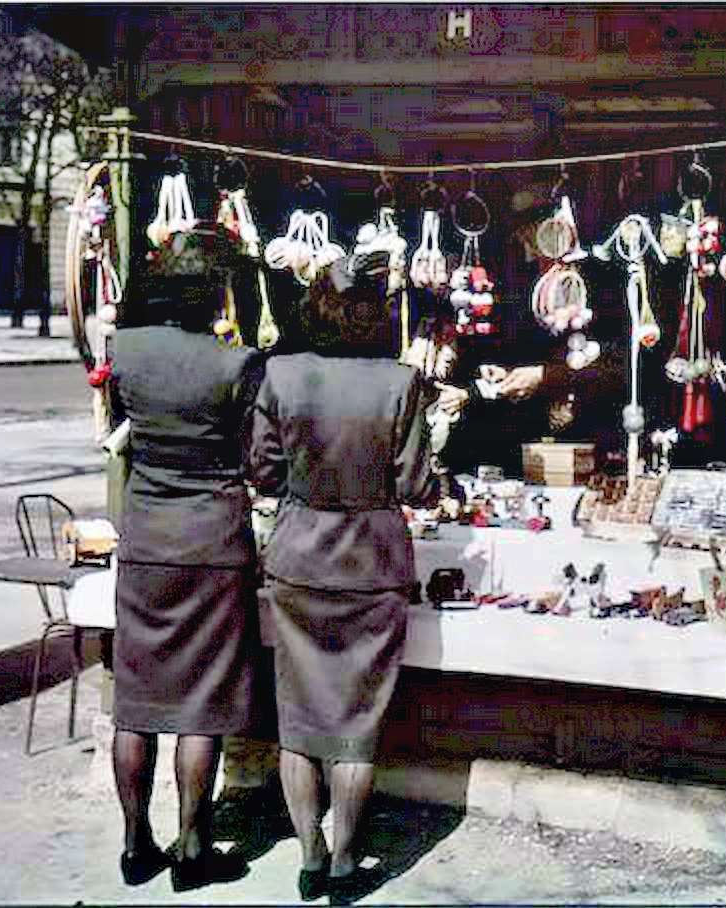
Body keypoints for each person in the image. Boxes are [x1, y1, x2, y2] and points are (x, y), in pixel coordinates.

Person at [249, 250, 434, 901]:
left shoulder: (281, 374)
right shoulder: (402, 380)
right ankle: (346, 860)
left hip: (301, 559)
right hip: (373, 563)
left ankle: (308, 854)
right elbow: (415, 484)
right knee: (357, 722)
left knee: (297, 716)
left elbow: (264, 474)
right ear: (374, 314)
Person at [109, 230, 265, 892]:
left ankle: (134, 843)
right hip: (213, 540)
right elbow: (258, 460)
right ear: (214, 294)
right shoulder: (237, 363)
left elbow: (124, 432)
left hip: (146, 538)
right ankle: (193, 844)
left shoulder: (124, 351)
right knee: (200, 705)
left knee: (136, 703)